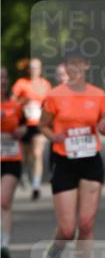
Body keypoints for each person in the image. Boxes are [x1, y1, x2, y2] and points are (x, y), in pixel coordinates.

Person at [39, 51, 105, 258]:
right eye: (72, 65)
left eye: (81, 64)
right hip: (64, 160)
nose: (76, 69)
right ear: (66, 68)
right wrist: (53, 136)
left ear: (88, 65)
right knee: (68, 229)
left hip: (91, 160)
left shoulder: (98, 95)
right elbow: (43, 124)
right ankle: (57, 246)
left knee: (86, 223)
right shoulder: (55, 95)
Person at [12, 56, 52, 199]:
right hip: (24, 124)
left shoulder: (45, 85)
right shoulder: (21, 83)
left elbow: (50, 104)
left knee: (37, 154)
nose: (34, 70)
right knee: (25, 157)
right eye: (32, 67)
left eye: (37, 67)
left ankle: (36, 185)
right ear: (28, 69)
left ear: (40, 69)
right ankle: (23, 175)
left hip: (38, 125)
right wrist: (24, 101)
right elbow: (12, 102)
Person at [1, 67, 27, 258]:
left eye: (4, 77)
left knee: (4, 201)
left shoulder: (16, 106)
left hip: (10, 159)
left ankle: (4, 245)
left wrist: (21, 130)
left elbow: (27, 126)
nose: (1, 81)